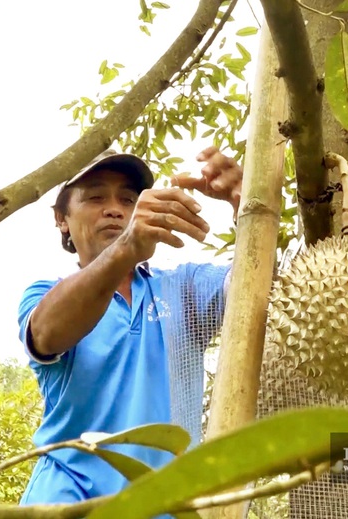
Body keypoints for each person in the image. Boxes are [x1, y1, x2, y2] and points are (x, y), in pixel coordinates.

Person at [17, 146, 243, 505]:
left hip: (169, 507)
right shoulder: (46, 294)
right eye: (95, 198)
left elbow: (266, 291)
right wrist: (125, 248)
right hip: (65, 505)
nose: (115, 208)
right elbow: (47, 332)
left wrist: (248, 207)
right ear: (61, 218)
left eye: (128, 198)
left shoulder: (184, 288)